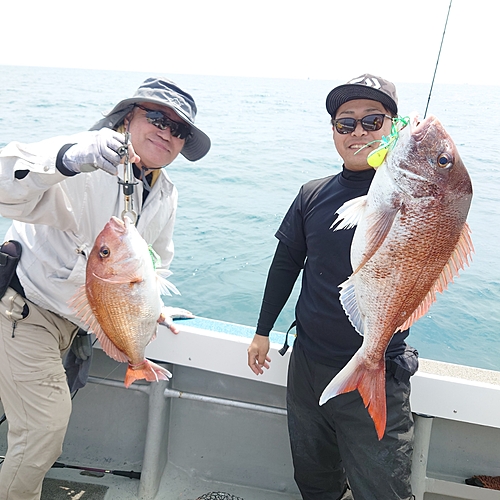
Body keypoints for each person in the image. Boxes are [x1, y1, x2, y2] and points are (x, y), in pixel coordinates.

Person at [0, 77, 211, 500]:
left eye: (179, 129)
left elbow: (157, 260)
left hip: (83, 324)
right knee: (44, 429)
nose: (166, 132)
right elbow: (7, 186)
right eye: (156, 117)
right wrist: (67, 159)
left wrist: (152, 304)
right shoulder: (85, 159)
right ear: (128, 117)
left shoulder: (165, 193)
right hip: (26, 311)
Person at [247, 74, 418, 500]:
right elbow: (286, 263)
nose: (358, 132)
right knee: (315, 481)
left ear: (394, 127)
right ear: (334, 132)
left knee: (383, 491)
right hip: (308, 365)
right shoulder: (312, 194)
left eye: (373, 120)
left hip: (378, 367)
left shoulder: (411, 196)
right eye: (346, 123)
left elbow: (439, 242)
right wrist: (262, 331)